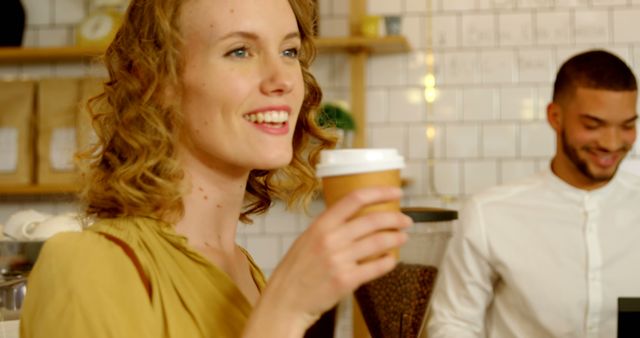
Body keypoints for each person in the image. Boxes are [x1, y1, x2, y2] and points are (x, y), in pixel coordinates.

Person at [20, 0, 412, 337]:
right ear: (157, 81)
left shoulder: (246, 272)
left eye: (289, 52)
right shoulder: (84, 265)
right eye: (240, 51)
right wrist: (285, 311)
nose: (283, 81)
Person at [427, 49, 640, 338]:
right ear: (555, 117)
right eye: (593, 125)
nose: (612, 143)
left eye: (628, 126)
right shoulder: (490, 214)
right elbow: (454, 324)